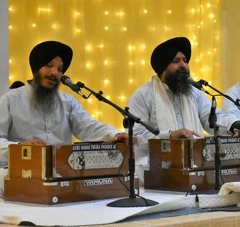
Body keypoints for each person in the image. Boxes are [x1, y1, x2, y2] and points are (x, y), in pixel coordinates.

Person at [0, 40, 136, 196]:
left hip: (61, 172)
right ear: (36, 68)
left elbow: (88, 126)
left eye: (60, 69)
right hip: (19, 170)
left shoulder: (68, 102)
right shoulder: (10, 100)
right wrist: (20, 147)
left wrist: (114, 134)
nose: (54, 73)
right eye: (49, 66)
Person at [127, 37, 240, 184]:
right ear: (163, 67)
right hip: (154, 170)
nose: (183, 65)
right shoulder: (143, 95)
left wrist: (233, 125)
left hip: (195, 166)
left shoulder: (194, 92)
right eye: (176, 61)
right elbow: (135, 137)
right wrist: (169, 136)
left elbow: (211, 118)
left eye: (185, 60)